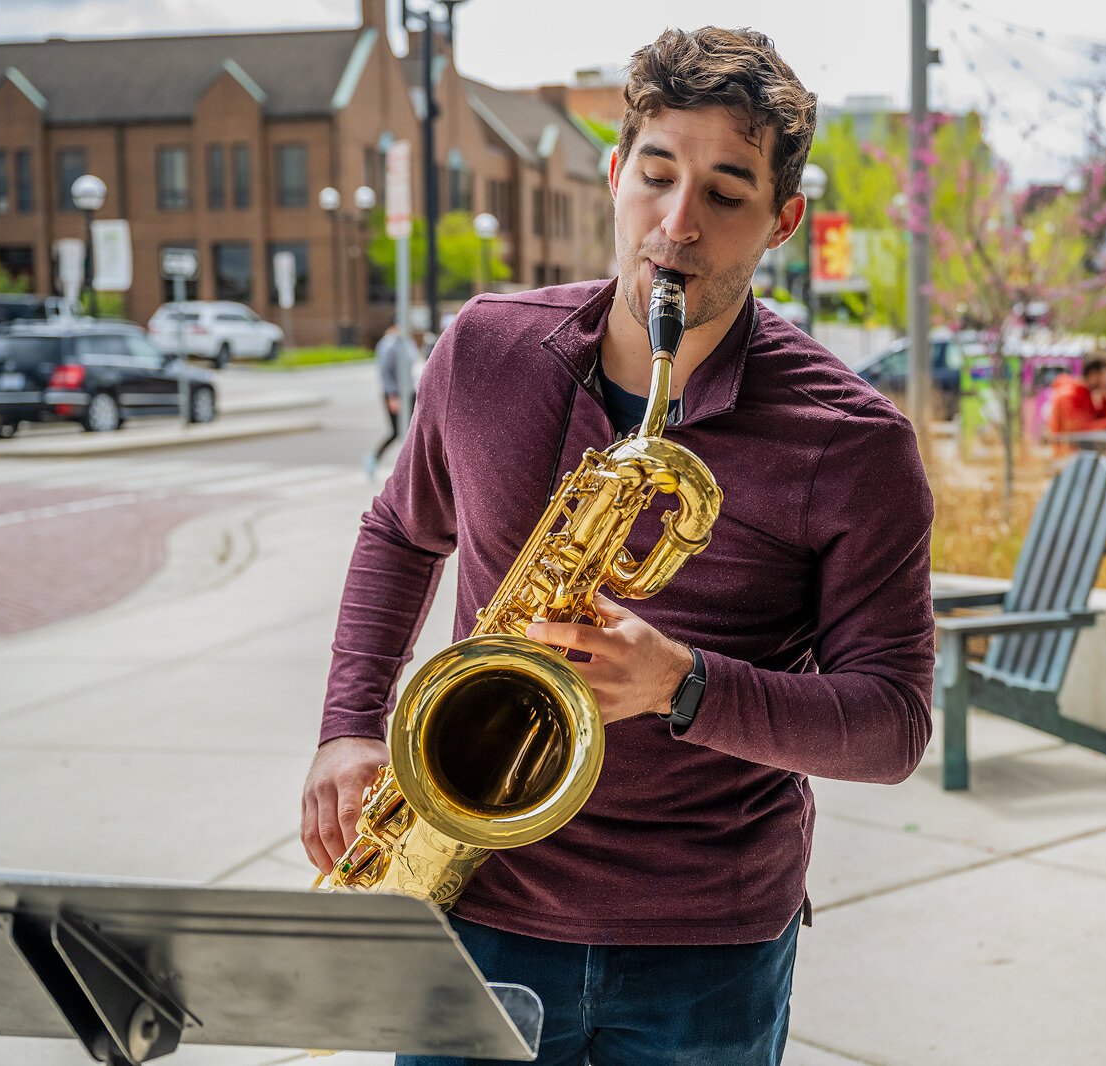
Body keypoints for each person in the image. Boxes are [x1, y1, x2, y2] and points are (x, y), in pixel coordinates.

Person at [300, 27, 934, 1066]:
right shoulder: (486, 350)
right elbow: (401, 530)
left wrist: (683, 685)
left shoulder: (853, 441)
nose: (676, 225)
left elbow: (894, 723)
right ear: (613, 174)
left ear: (783, 221)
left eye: (727, 193)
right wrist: (346, 726)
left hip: (707, 945)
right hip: (470, 906)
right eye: (656, 175)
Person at [364, 323, 414, 480]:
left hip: (409, 392)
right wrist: (392, 396)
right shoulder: (388, 345)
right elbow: (385, 371)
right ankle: (374, 458)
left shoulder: (407, 342)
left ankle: (408, 469)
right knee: (397, 432)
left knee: (410, 432)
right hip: (395, 394)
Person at [1046, 357, 1106, 438]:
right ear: (1094, 375)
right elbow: (1081, 429)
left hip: (1082, 446)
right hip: (1068, 448)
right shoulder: (1070, 395)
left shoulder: (1087, 394)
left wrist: (1105, 398)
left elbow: (1101, 420)